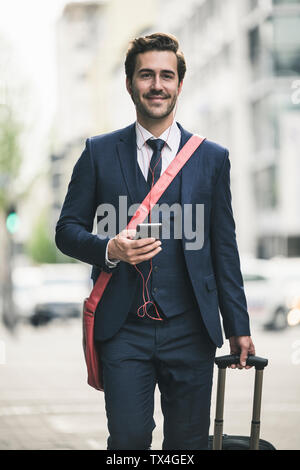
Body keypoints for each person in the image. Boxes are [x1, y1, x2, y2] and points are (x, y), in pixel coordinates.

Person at [55, 32, 255, 450]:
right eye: (146, 75)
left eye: (167, 75)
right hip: (124, 329)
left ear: (180, 84)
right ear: (130, 83)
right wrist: (109, 249)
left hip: (192, 329)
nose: (157, 85)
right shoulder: (98, 152)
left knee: (187, 446)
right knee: (128, 442)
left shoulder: (212, 157)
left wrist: (238, 326)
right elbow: (67, 230)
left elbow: (224, 247)